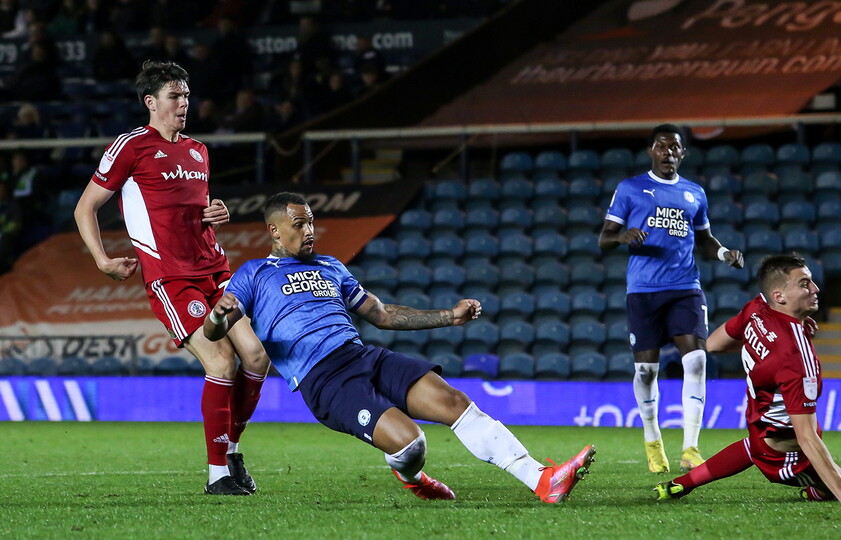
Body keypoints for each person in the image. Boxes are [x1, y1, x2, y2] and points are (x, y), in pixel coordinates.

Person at [203, 192, 596, 504]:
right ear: (274, 230)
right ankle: (413, 476)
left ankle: (542, 480)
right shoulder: (253, 274)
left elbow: (382, 314)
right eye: (299, 224)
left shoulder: (331, 266)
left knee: (454, 402)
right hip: (324, 380)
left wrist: (449, 316)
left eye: (311, 222)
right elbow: (214, 330)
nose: (309, 231)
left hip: (363, 356)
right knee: (411, 445)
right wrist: (219, 316)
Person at [73, 61, 271, 496]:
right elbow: (85, 207)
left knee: (257, 358)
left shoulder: (199, 150)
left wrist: (216, 211)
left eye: (186, 96)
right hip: (172, 277)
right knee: (222, 362)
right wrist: (102, 260)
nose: (184, 104)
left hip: (216, 270)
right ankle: (217, 476)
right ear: (151, 102)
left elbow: (196, 208)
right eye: (174, 96)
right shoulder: (130, 146)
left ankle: (231, 452)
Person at [655, 253, 841, 508]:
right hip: (784, 454)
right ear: (779, 296)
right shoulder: (795, 357)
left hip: (759, 423)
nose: (815, 289)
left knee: (752, 448)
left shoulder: (757, 308)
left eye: (811, 281)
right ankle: (818, 491)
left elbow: (713, 344)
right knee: (840, 483)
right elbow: (807, 437)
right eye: (804, 284)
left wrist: (771, 345)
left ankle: (681, 483)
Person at [598, 123, 744, 474]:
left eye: (675, 147)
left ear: (683, 153)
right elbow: (604, 238)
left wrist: (723, 253)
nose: (669, 153)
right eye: (662, 147)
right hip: (643, 290)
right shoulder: (630, 188)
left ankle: (691, 448)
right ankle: (652, 440)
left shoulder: (694, 193)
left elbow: (705, 240)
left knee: (696, 360)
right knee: (647, 372)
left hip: (685, 287)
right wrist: (623, 237)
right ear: (651, 151)